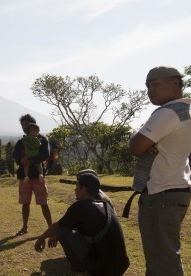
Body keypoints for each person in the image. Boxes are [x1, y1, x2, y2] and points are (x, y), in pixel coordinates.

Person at [129, 66, 191, 276]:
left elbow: (136, 147)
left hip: (161, 193)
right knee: (162, 257)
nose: (150, 90)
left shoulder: (168, 112)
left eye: (155, 84)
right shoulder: (186, 112)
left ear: (175, 84)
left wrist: (140, 140)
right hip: (177, 188)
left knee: (162, 263)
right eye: (147, 86)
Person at [34, 171, 130, 276]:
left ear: (84, 189)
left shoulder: (81, 206)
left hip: (105, 270)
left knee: (63, 231)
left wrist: (41, 238)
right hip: (121, 267)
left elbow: (57, 227)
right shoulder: (105, 205)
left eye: (77, 186)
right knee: (63, 230)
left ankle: (85, 271)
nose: (75, 189)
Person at [13, 114, 52, 236]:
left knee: (43, 203)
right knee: (25, 203)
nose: (23, 127)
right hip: (25, 177)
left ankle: (50, 227)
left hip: (38, 176)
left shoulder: (42, 139)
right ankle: (24, 227)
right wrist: (21, 160)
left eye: (25, 125)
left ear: (32, 124)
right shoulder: (22, 141)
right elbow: (16, 155)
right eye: (22, 125)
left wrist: (32, 161)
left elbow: (45, 154)